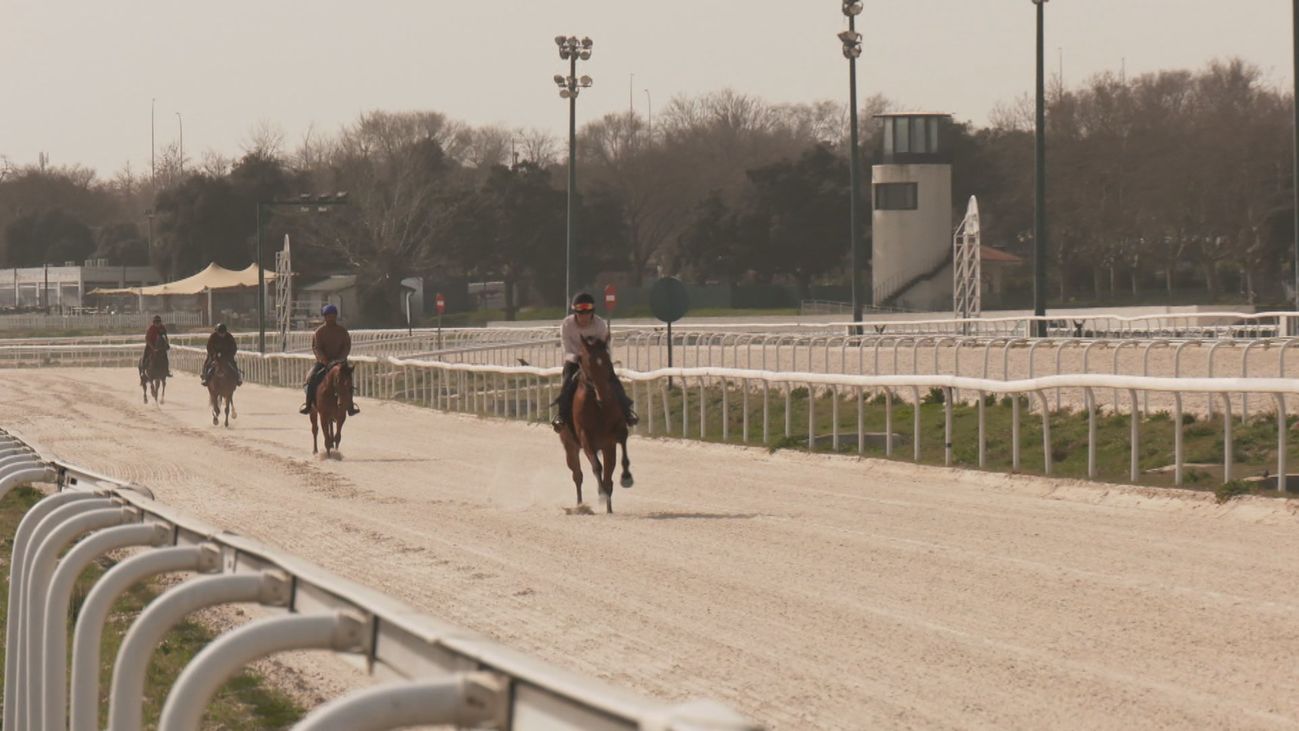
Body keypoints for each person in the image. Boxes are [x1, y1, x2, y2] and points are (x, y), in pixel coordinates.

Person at [551, 292, 637, 431]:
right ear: (575, 313)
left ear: (592, 313)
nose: (584, 317)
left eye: (587, 314)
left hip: (596, 361)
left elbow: (605, 347)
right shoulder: (567, 324)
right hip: (574, 361)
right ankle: (561, 415)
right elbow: (566, 348)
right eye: (581, 314)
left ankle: (627, 412)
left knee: (614, 381)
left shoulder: (599, 324)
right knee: (567, 383)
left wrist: (599, 361)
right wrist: (580, 359)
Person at [300, 304, 359, 416]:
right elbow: (317, 348)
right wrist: (324, 360)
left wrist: (340, 359)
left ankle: (350, 406)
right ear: (325, 317)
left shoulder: (342, 331)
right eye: (328, 316)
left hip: (339, 363)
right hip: (323, 363)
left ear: (336, 316)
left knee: (347, 381)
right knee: (311, 378)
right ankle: (308, 405)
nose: (331, 318)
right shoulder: (319, 332)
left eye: (333, 316)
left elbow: (346, 346)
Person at [139, 315, 172, 380]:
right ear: (154, 323)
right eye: (156, 322)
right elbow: (147, 339)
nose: (157, 323)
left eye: (158, 322)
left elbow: (165, 337)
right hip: (150, 345)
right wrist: (153, 348)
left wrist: (166, 344)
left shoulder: (163, 328)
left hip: (160, 346)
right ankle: (143, 370)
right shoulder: (151, 329)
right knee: (145, 355)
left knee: (165, 357)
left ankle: (166, 370)